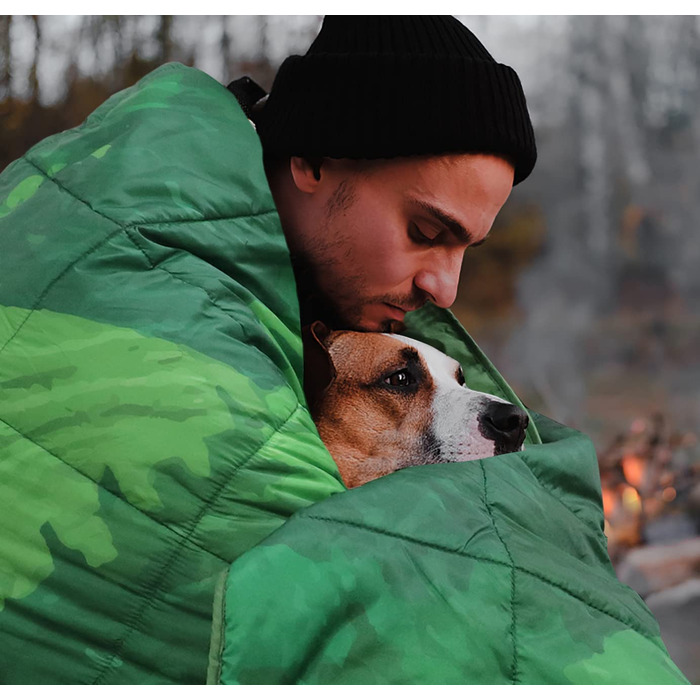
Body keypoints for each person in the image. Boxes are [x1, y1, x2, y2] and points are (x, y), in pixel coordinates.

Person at [0, 16, 687, 685]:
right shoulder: (148, 303)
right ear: (311, 160)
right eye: (425, 229)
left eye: (465, 249)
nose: (445, 289)